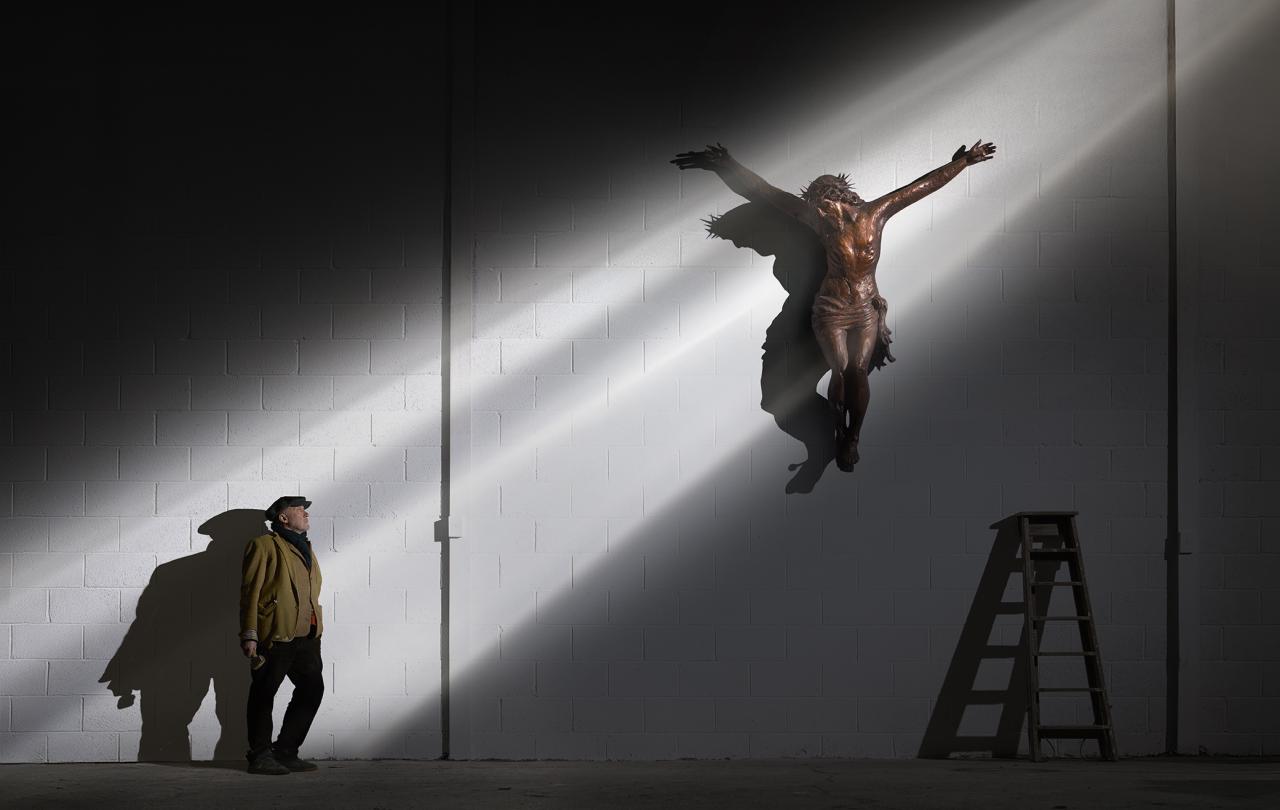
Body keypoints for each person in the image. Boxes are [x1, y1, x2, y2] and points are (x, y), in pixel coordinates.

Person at [673, 139, 996, 470]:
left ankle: (851, 435)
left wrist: (965, 162)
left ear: (843, 192)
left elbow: (920, 187)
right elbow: (763, 192)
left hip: (865, 307)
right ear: (819, 198)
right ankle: (837, 432)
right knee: (840, 370)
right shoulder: (818, 218)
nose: (831, 196)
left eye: (833, 189)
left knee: (856, 370)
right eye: (824, 192)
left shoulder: (875, 212)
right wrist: (728, 165)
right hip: (832, 307)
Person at [240, 495, 324, 775]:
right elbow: (250, 592)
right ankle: (260, 755)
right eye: (299, 510)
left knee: (312, 689)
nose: (306, 514)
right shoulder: (263, 545)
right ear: (283, 518)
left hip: (307, 635)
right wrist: (250, 633)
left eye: (306, 511)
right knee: (264, 694)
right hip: (275, 634)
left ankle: (286, 751)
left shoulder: (306, 548)